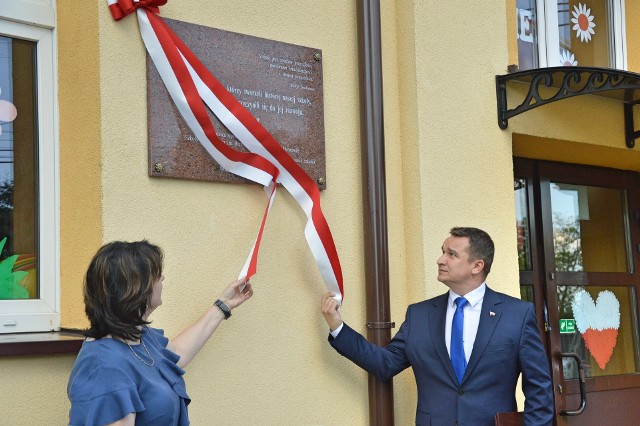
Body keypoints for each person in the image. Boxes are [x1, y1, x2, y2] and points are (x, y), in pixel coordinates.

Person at [321, 227, 554, 425]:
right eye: (443, 252)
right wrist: (338, 327)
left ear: (477, 266)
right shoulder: (419, 315)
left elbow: (539, 388)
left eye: (451, 254)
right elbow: (385, 363)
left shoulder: (517, 314)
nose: (440, 260)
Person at [67, 240, 253, 425]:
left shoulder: (139, 338)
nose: (162, 278)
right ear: (134, 288)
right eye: (155, 274)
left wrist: (224, 305)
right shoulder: (106, 367)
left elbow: (177, 354)